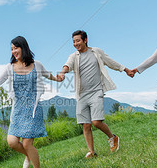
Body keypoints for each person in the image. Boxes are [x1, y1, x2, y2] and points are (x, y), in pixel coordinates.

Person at [0, 36, 61, 168]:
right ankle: (28, 155)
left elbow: (47, 74)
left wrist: (58, 78)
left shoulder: (36, 65)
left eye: (16, 48)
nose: (14, 51)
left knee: (27, 143)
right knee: (12, 142)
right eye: (12, 49)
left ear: (23, 47)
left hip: (33, 109)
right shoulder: (10, 67)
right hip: (18, 109)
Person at [57, 30, 133, 158]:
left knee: (96, 122)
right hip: (81, 94)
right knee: (85, 125)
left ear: (85, 40)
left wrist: (125, 69)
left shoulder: (96, 52)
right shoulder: (73, 56)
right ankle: (91, 152)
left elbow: (110, 62)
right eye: (74, 41)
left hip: (96, 91)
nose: (76, 43)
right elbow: (67, 65)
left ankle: (112, 137)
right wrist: (63, 72)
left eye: (78, 41)